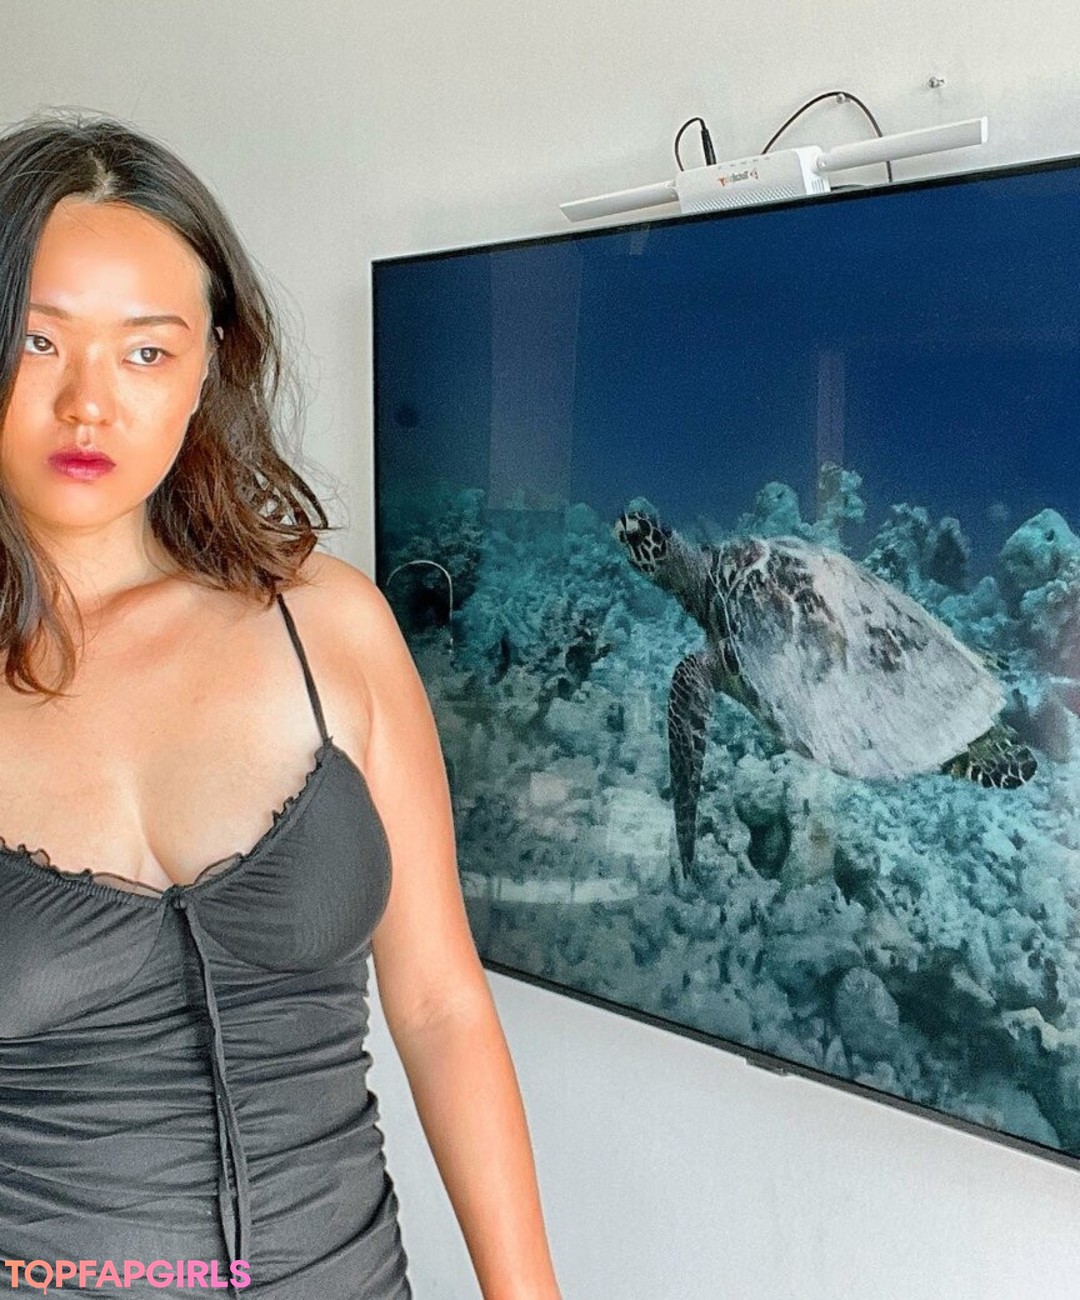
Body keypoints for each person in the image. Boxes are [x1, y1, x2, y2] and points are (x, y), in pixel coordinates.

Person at [0, 110, 563, 1300]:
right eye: (40, 341)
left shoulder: (329, 625)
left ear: (210, 364)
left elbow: (440, 1004)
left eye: (145, 351)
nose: (89, 403)